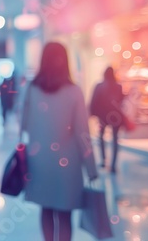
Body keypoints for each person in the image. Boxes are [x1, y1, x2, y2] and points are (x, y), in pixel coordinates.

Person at [20, 42, 98, 241]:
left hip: (39, 160)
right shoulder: (74, 91)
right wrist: (91, 168)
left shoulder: (32, 89)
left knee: (46, 208)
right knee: (64, 214)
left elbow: (25, 124)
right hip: (67, 163)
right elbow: (82, 133)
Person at [90, 66, 124, 173]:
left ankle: (104, 160)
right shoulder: (118, 87)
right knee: (115, 139)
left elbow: (94, 100)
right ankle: (113, 164)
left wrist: (93, 113)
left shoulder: (99, 86)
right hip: (115, 117)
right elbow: (121, 101)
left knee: (101, 138)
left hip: (102, 116)